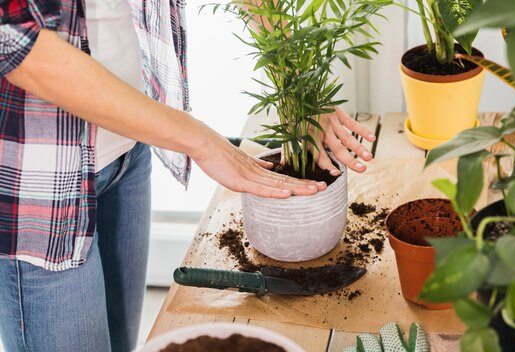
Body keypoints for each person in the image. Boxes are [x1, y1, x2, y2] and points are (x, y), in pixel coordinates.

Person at [0, 0, 375, 351]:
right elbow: (17, 43)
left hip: (128, 149)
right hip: (40, 187)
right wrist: (201, 142)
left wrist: (300, 79)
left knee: (121, 341)